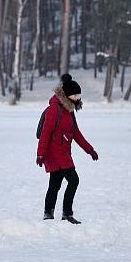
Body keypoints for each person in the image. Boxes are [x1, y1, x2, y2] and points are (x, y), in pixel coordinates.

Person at [36, 74, 99, 224]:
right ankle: (66, 213)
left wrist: (90, 150)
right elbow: (45, 134)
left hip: (64, 152)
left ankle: (48, 213)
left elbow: (76, 133)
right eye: (75, 95)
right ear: (67, 95)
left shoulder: (69, 110)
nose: (78, 97)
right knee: (73, 180)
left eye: (79, 95)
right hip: (54, 153)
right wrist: (40, 154)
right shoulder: (54, 110)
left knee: (55, 184)